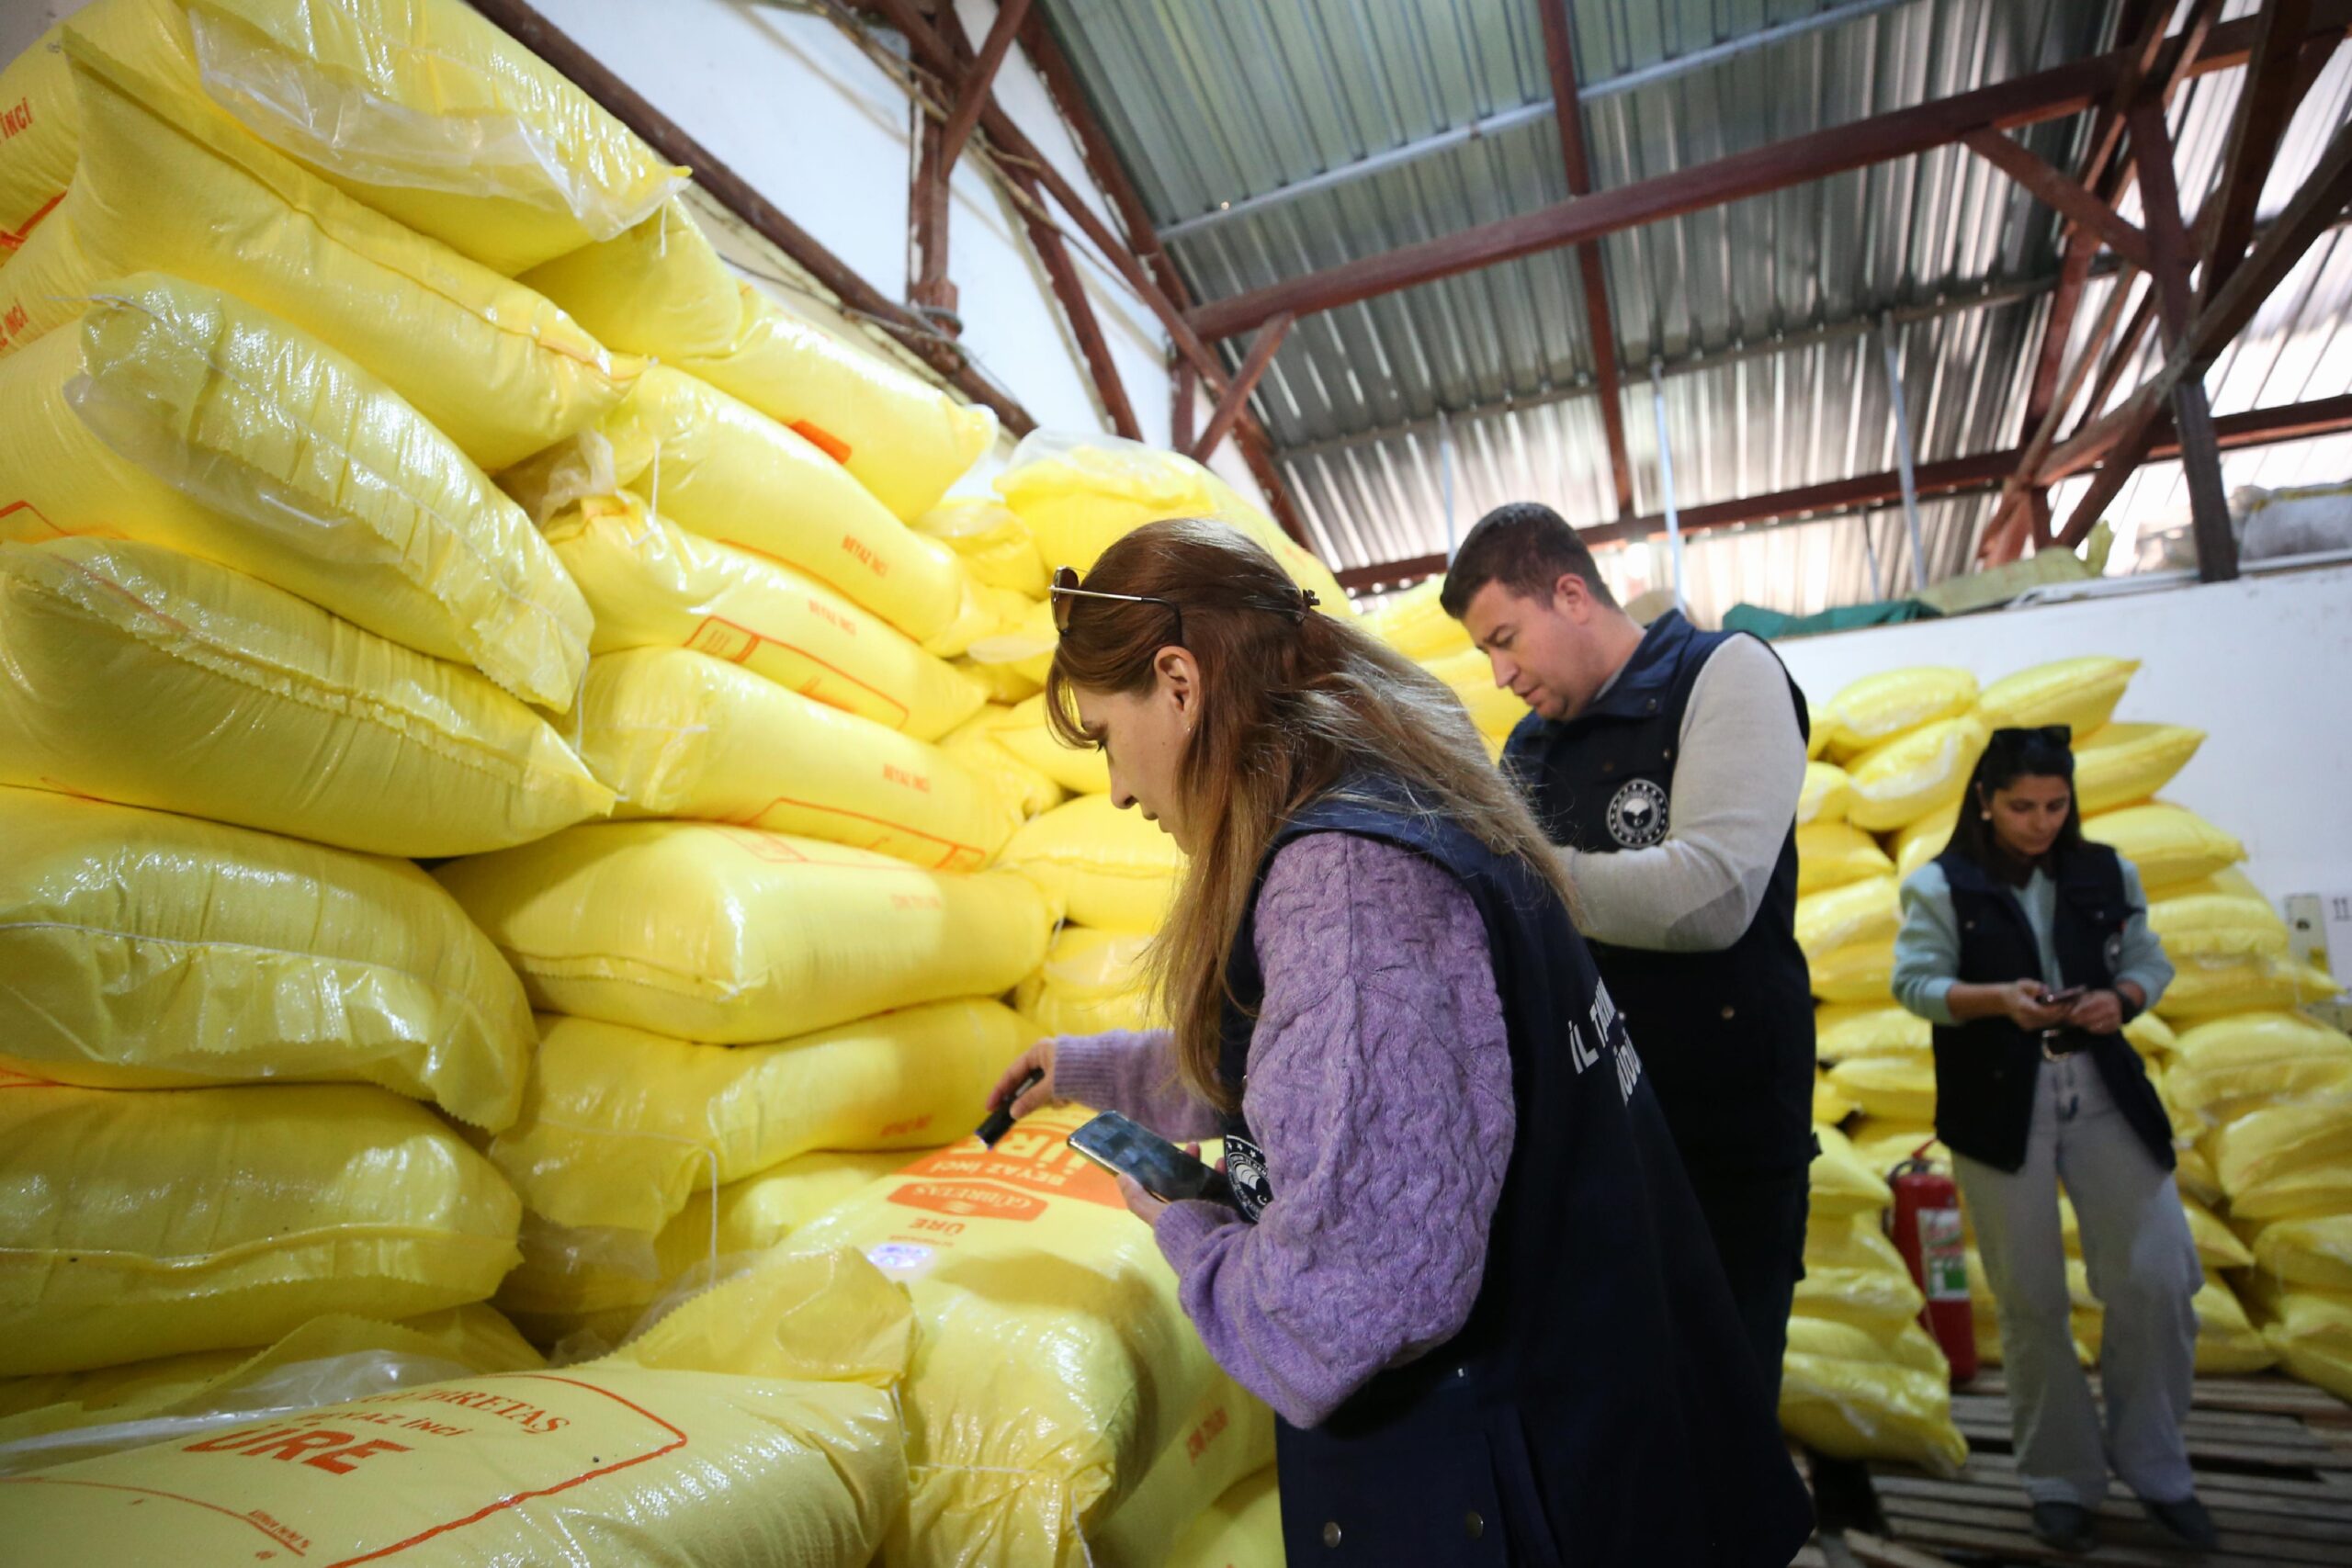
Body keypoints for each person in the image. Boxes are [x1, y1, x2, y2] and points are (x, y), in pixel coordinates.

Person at [988, 519, 1812, 1564]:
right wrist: (1086, 1070)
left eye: (1108, 737)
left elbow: (1336, 1313)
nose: (1114, 788)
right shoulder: (1392, 806)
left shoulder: (1345, 884)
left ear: (1180, 682)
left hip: (1525, 1490)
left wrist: (1189, 1233)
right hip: (1595, 1440)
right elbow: (1315, 1057)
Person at [1440, 502, 1816, 1401]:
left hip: (1721, 1136)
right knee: (1622, 1408)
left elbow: (1712, 894)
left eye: (1504, 638)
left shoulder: (1724, 675)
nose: (1498, 674)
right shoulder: (1530, 747)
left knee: (1721, 1395)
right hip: (1597, 1136)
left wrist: (1524, 877)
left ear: (1569, 594)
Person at [1892, 725, 2211, 1553]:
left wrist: (2125, 997)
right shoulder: (1941, 884)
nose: (2040, 821)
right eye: (2021, 806)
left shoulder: (2106, 871)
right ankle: (2060, 1479)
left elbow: (2148, 958)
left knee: (2158, 1274)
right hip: (2000, 1105)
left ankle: (2158, 1468)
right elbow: (1914, 983)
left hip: (2103, 1092)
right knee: (2031, 1302)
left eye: (2055, 805)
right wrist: (1997, 999)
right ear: (1986, 804)